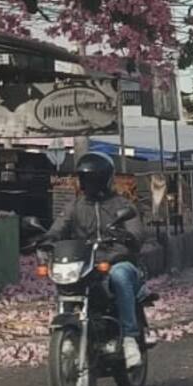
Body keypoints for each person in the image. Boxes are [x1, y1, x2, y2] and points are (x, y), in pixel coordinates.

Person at [42, 149, 146, 371]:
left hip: (117, 261)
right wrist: (47, 240)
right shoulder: (75, 206)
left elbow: (136, 233)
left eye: (93, 177)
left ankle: (129, 338)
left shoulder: (122, 205)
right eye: (85, 178)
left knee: (119, 275)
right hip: (86, 263)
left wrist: (127, 236)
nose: (88, 182)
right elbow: (59, 228)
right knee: (65, 282)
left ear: (106, 178)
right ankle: (69, 333)